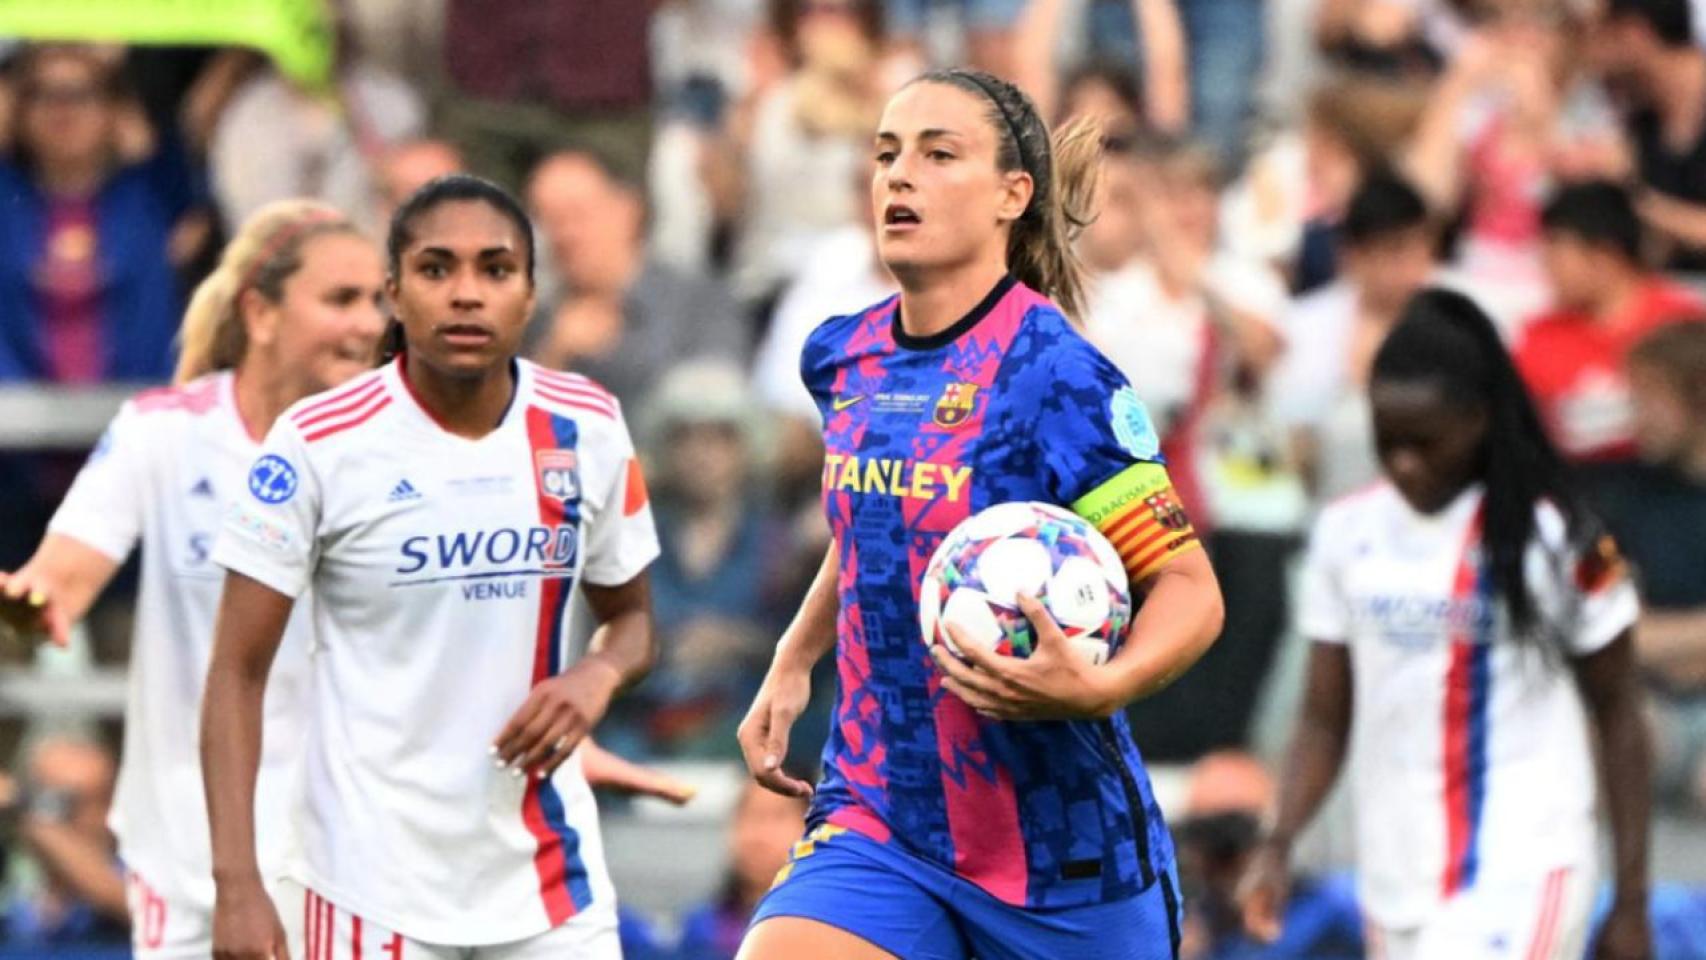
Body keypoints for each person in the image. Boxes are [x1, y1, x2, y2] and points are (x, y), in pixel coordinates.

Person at [735, 68, 1225, 960]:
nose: (899, 176)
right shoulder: (843, 356)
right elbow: (874, 522)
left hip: (1061, 858)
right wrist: (795, 656)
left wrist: (1103, 685)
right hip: (881, 814)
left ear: (1013, 195)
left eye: (937, 153)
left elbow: (1192, 589)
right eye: (886, 155)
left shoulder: (1059, 376)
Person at [202, 175, 660, 959]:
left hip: (551, 883)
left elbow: (634, 620)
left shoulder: (587, 423)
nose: (466, 295)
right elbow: (236, 674)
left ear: (529, 292)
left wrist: (596, 677)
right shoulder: (317, 442)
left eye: (495, 269)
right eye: (436, 269)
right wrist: (238, 886)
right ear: (395, 293)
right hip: (370, 888)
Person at [0, 200, 386, 959]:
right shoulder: (164, 431)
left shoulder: (393, 447)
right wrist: (23, 604)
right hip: (184, 852)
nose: (370, 323)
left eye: (378, 300)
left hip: (349, 850)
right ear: (261, 312)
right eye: (342, 300)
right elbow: (61, 582)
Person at [1239, 288, 1653, 960]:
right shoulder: (1346, 532)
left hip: (1527, 867)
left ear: (1478, 420)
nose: (1404, 461)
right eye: (1388, 439)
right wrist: (1279, 842)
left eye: (1425, 442)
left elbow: (1620, 710)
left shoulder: (1561, 535)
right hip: (1394, 878)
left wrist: (1631, 900)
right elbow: (1322, 717)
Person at [1515, 180, 1701, 467]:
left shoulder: (1684, 328)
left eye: (1555, 250)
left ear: (1603, 256)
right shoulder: (1541, 336)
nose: (1545, 265)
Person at [1620, 323, 1706, 813]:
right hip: (1650, 704)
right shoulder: (1612, 499)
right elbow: (1612, 629)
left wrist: (1666, 636)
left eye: (1648, 399)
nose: (1634, 416)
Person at [5, 736, 129, 947]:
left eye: (106, 798)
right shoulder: (17, 889)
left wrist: (22, 806)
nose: (101, 817)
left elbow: (125, 902)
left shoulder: (139, 878)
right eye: (66, 802)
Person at [676, 782, 812, 960]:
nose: (759, 835)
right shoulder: (701, 930)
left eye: (778, 816)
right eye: (749, 814)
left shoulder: (834, 929)